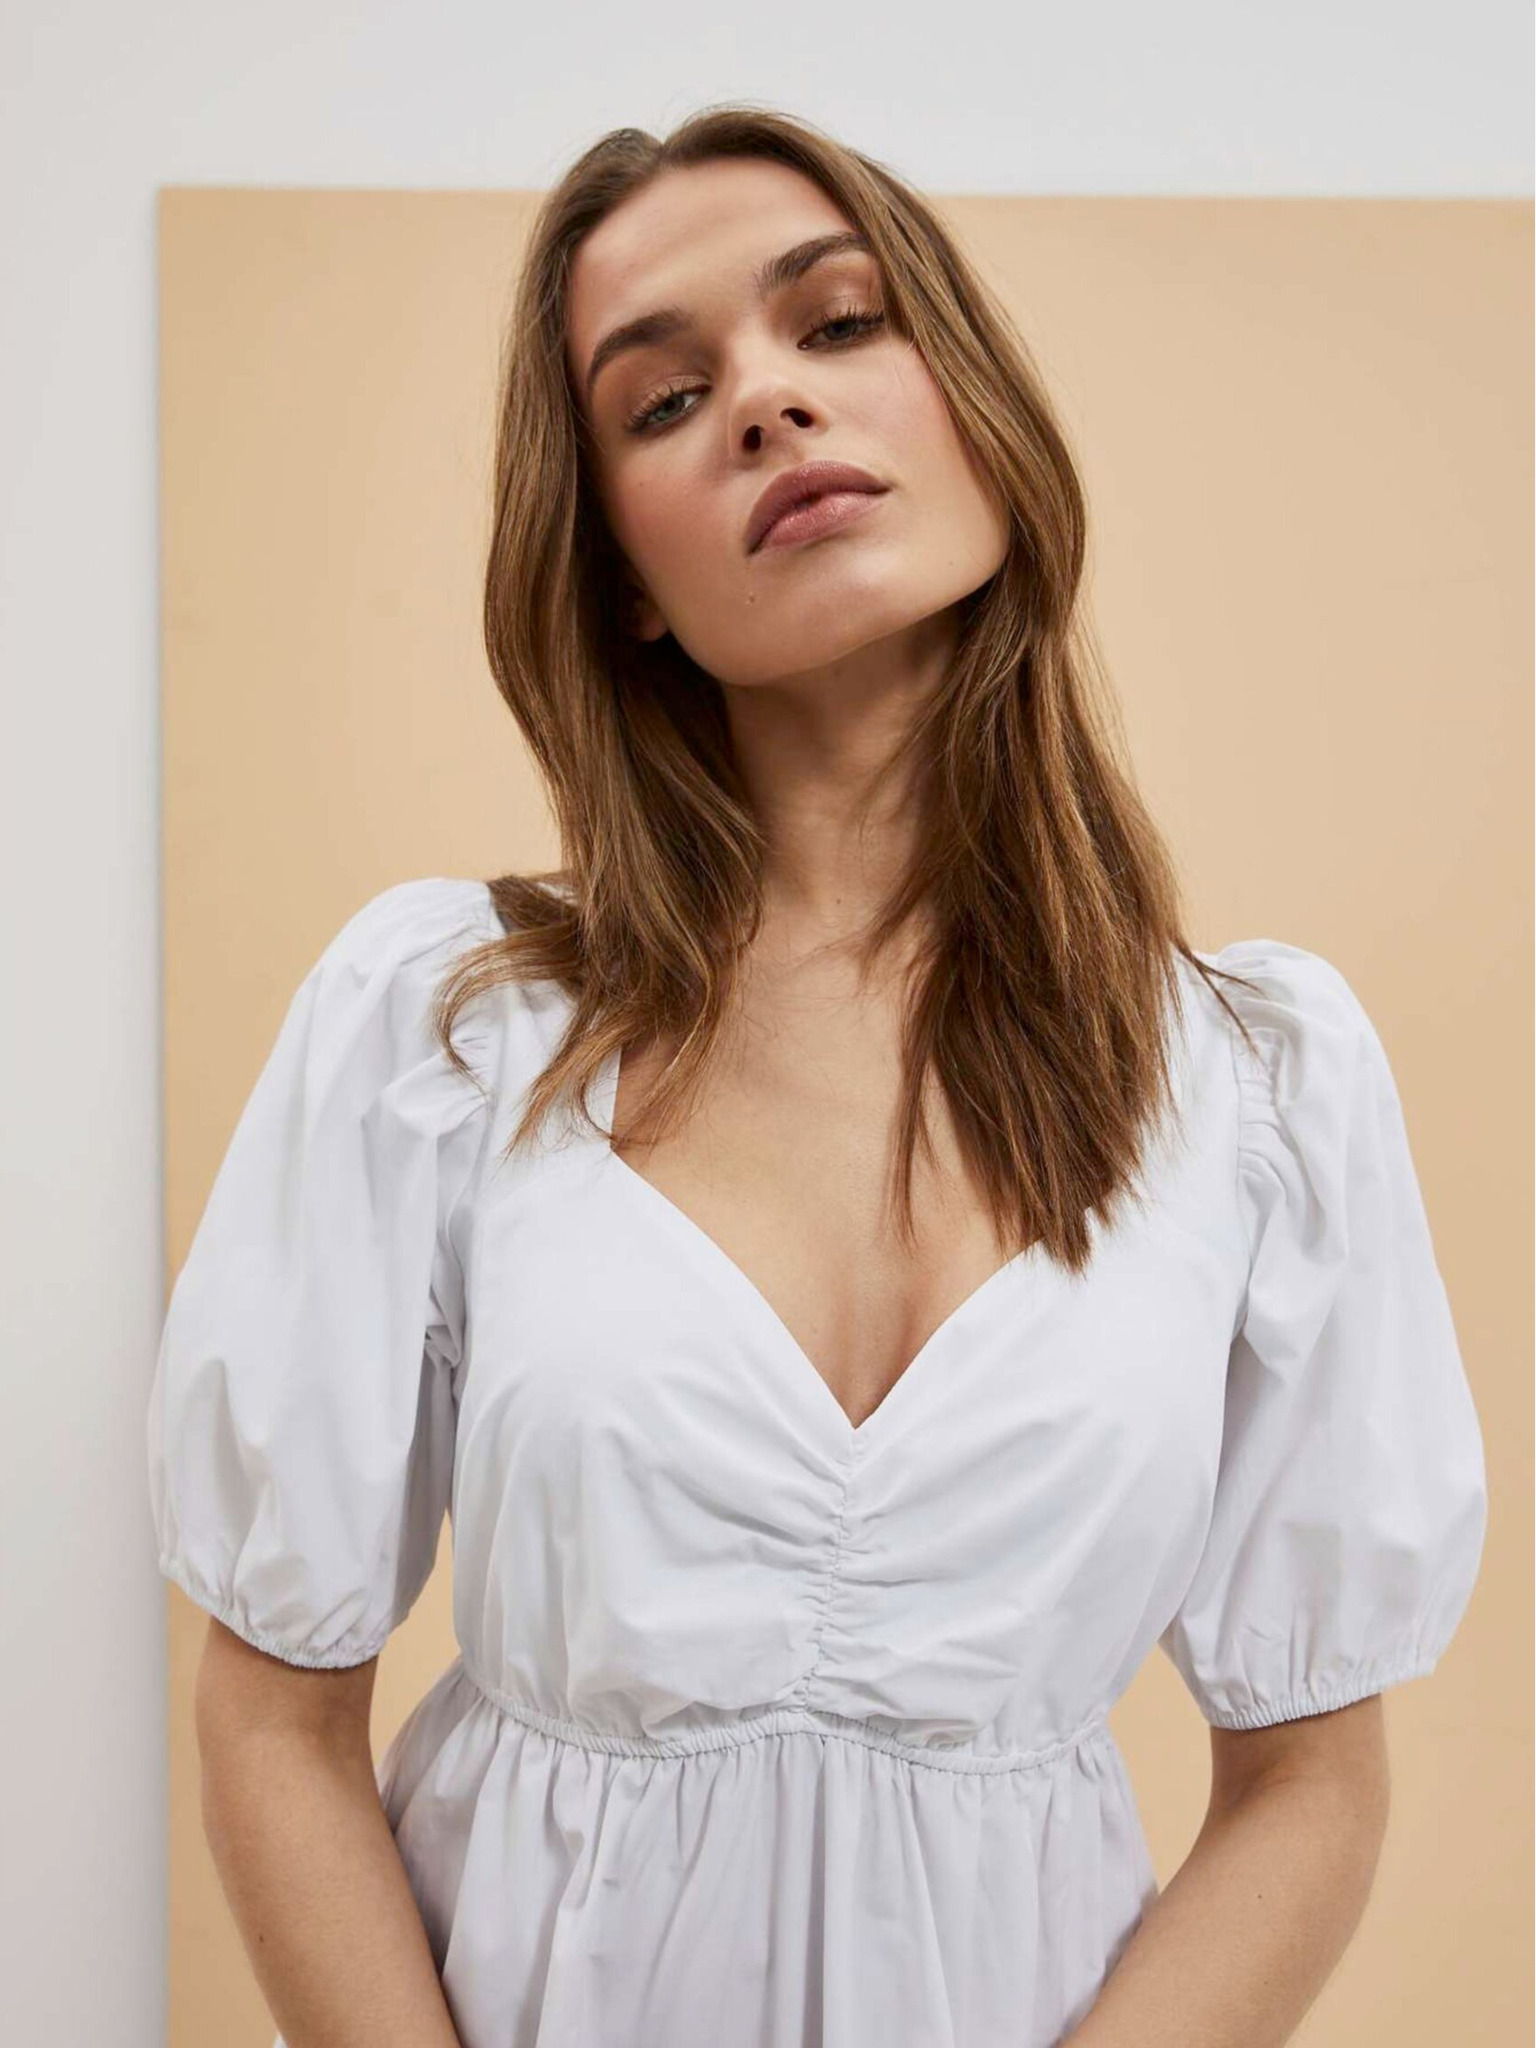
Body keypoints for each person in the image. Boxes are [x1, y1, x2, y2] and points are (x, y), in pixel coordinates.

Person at [146, 104, 1489, 2048]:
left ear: (982, 417)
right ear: (623, 572)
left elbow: (1312, 1782)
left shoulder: (1262, 1088)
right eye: (666, 399)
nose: (769, 403)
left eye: (840, 323)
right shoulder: (445, 1030)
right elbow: (272, 1717)